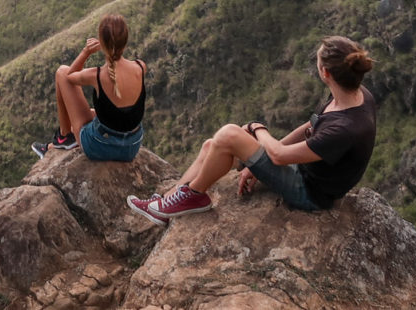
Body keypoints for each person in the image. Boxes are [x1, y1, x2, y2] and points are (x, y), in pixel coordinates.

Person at [127, 35, 375, 224]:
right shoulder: (355, 95)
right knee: (212, 146)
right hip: (304, 170)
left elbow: (278, 155)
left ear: (325, 73)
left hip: (310, 194)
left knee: (229, 134)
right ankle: (168, 200)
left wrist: (258, 129)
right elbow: (311, 126)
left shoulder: (345, 128)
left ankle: (194, 195)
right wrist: (258, 163)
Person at [33, 13, 146, 162]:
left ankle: (65, 138)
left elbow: (68, 76)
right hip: (131, 148)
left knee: (61, 71)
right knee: (93, 113)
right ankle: (55, 144)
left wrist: (86, 52)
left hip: (100, 146)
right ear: (125, 41)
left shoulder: (98, 75)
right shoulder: (140, 66)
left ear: (102, 43)